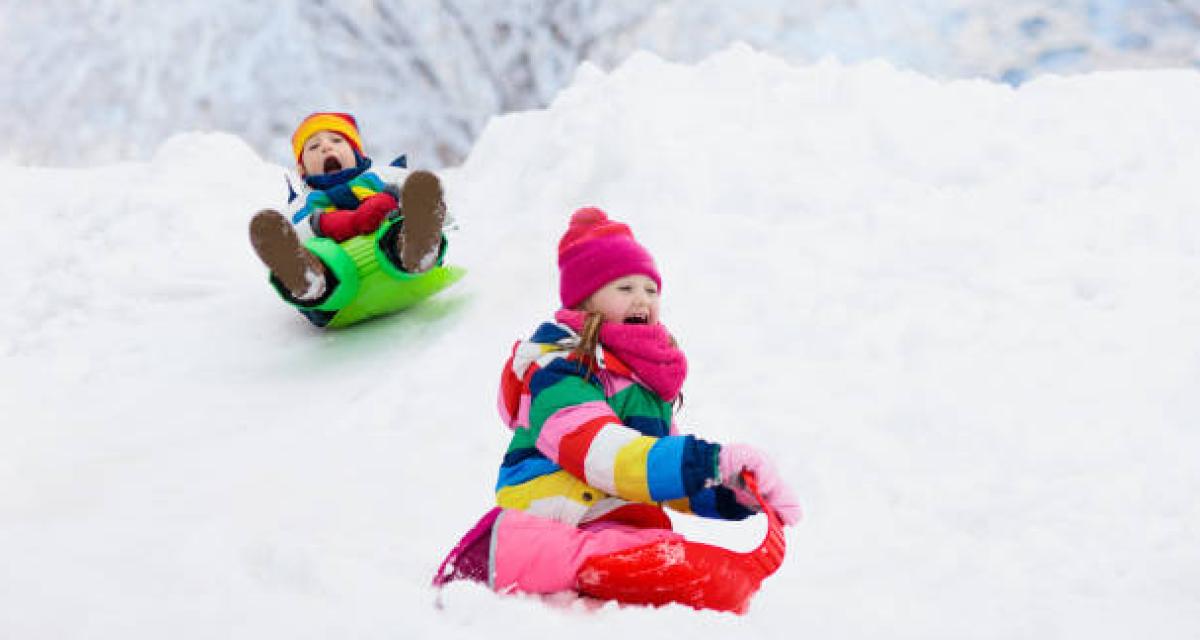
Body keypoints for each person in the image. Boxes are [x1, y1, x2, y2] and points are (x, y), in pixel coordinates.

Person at [434, 207, 800, 595]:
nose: (642, 299)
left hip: (612, 515)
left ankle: (626, 559)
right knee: (645, 555)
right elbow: (598, 450)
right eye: (625, 289)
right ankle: (502, 547)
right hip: (559, 509)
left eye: (651, 289)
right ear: (586, 302)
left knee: (661, 552)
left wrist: (730, 486)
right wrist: (703, 460)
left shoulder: (643, 382)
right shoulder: (561, 370)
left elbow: (656, 472)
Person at [249, 112, 451, 327]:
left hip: (397, 256)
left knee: (398, 224)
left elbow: (439, 214)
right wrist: (331, 224)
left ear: (357, 153)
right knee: (320, 252)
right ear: (301, 169)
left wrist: (394, 203)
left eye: (337, 141)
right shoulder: (304, 203)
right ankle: (309, 279)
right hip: (337, 289)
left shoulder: (382, 177)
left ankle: (417, 249)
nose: (327, 147)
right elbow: (297, 233)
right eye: (314, 147)